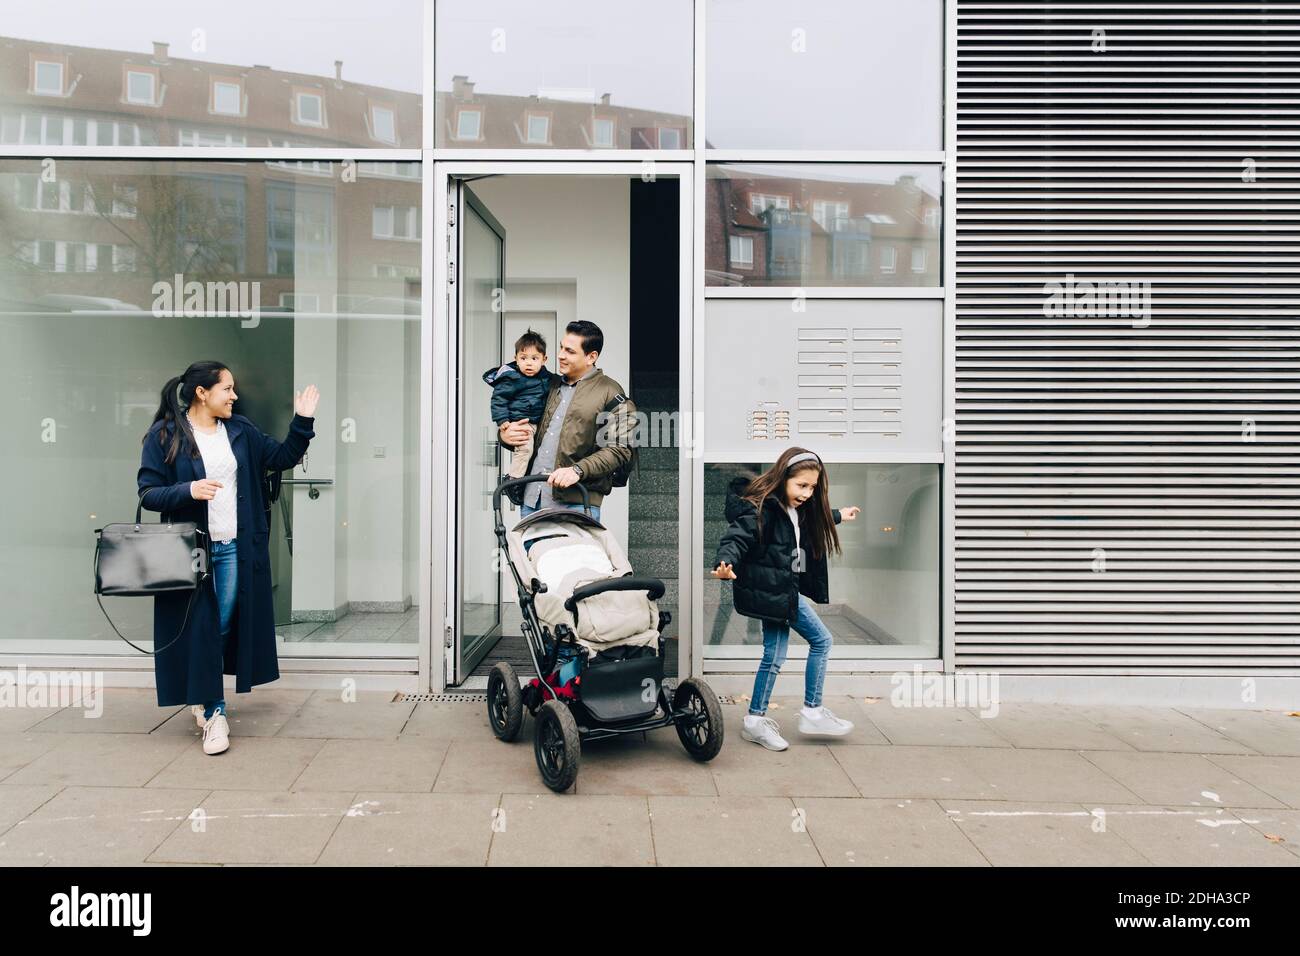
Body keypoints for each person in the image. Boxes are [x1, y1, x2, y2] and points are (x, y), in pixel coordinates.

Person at [137, 360, 318, 756]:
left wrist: (302, 421)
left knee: (219, 625)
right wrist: (188, 490)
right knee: (200, 625)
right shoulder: (165, 435)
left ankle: (203, 696)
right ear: (203, 393)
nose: (234, 396)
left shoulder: (241, 431)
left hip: (234, 547)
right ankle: (215, 713)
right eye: (227, 389)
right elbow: (148, 493)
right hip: (191, 552)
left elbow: (283, 456)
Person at [711, 447, 862, 752]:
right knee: (822, 641)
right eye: (801, 485)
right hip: (776, 592)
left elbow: (813, 521)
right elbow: (736, 538)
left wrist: (839, 515)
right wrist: (725, 564)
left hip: (781, 591)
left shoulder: (797, 509)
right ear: (783, 479)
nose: (807, 493)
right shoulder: (761, 509)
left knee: (775, 656)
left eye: (813, 487)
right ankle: (812, 711)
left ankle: (756, 719)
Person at [498, 320, 634, 525]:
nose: (561, 355)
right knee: (533, 558)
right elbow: (523, 423)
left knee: (573, 558)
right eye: (561, 347)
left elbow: (619, 450)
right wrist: (505, 435)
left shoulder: (611, 393)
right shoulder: (547, 384)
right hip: (531, 500)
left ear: (591, 357)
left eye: (569, 351)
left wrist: (577, 470)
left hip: (577, 504)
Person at [483, 329, 554, 479]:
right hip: (520, 421)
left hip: (537, 422)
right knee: (525, 449)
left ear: (544, 359)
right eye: (523, 358)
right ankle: (514, 479)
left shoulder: (547, 378)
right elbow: (498, 399)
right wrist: (502, 420)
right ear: (515, 358)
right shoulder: (511, 378)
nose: (528, 363)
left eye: (534, 358)